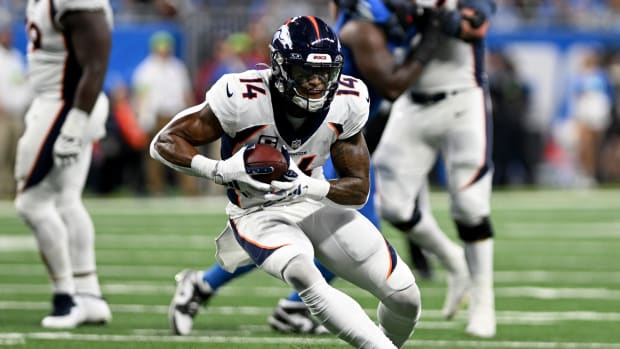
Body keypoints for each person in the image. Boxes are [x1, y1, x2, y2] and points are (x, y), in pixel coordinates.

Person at [164, 1, 459, 337]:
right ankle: (267, 298)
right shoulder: (362, 26)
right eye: (306, 73)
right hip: (286, 171)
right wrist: (219, 170)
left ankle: (232, 291)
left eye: (324, 73)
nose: (317, 83)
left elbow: (356, 186)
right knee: (294, 252)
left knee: (382, 268)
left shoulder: (352, 90)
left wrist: (310, 187)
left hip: (335, 136)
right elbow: (393, 83)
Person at [373, 0, 498, 338]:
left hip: (462, 101)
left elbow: (477, 25)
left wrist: (436, 13)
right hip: (411, 103)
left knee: (470, 206)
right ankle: (453, 260)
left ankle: (483, 301)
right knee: (393, 206)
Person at [14, 0, 113, 328]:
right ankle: (90, 296)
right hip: (59, 102)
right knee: (67, 202)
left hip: (65, 105)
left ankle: (65, 297)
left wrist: (74, 123)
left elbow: (97, 63)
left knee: (31, 204)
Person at [132, 30, 197, 196]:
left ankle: (189, 190)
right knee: (155, 155)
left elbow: (185, 92)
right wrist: (140, 116)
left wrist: (191, 113)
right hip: (156, 115)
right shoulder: (146, 70)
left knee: (183, 152)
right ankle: (156, 188)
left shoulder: (177, 67)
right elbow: (140, 96)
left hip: (175, 114)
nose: (164, 52)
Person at [0, 8, 31, 199]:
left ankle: (11, 194)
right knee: (1, 156)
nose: (7, 36)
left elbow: (23, 85)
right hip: (1, 116)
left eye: (8, 33)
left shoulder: (17, 58)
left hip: (18, 115)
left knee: (15, 158)